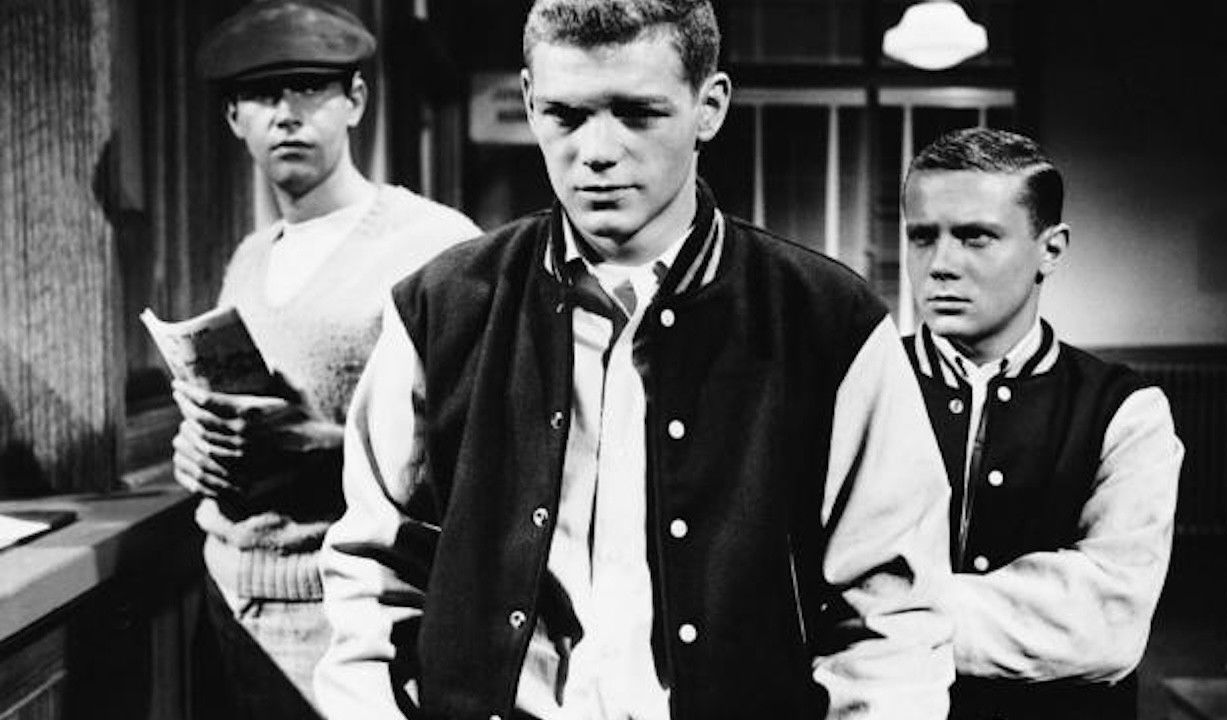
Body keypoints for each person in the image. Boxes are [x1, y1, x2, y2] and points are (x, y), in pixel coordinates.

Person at [315, 1, 954, 719]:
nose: (597, 151)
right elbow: (371, 584)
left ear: (709, 107)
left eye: (638, 113)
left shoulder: (830, 324)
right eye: (566, 115)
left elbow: (893, 627)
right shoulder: (439, 309)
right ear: (528, 99)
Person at [171, 2, 479, 716]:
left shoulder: (433, 245)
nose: (287, 114)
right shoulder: (250, 259)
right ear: (234, 118)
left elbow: (485, 451)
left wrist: (327, 448)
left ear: (355, 101)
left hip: (349, 611)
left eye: (310, 87)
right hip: (226, 598)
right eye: (261, 95)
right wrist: (196, 452)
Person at [900, 127, 1183, 720]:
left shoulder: (1128, 410)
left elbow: (1104, 624)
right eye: (922, 237)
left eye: (976, 237)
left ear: (1050, 250)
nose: (940, 266)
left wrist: (881, 614)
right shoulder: (851, 387)